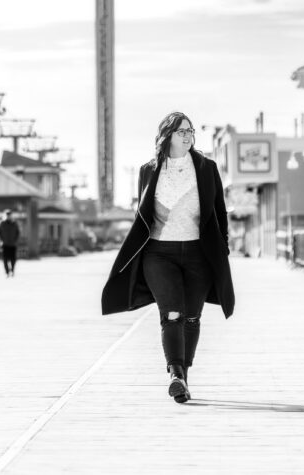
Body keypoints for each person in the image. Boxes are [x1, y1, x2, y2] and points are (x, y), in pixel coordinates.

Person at [101, 111, 235, 403]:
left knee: (191, 317)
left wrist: (222, 247)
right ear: (167, 136)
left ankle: (183, 378)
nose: (188, 136)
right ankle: (174, 374)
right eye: (181, 131)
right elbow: (144, 214)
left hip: (198, 253)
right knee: (171, 313)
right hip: (159, 254)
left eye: (190, 131)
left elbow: (220, 212)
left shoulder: (206, 167)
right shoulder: (149, 170)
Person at [0, 209, 21, 277]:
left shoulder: (14, 223)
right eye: (7, 215)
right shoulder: (2, 223)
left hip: (13, 244)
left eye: (9, 215)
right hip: (5, 244)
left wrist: (16, 240)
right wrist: (1, 240)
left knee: (13, 259)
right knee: (5, 259)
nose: (8, 216)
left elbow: (18, 232)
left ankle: (12, 270)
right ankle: (7, 272)